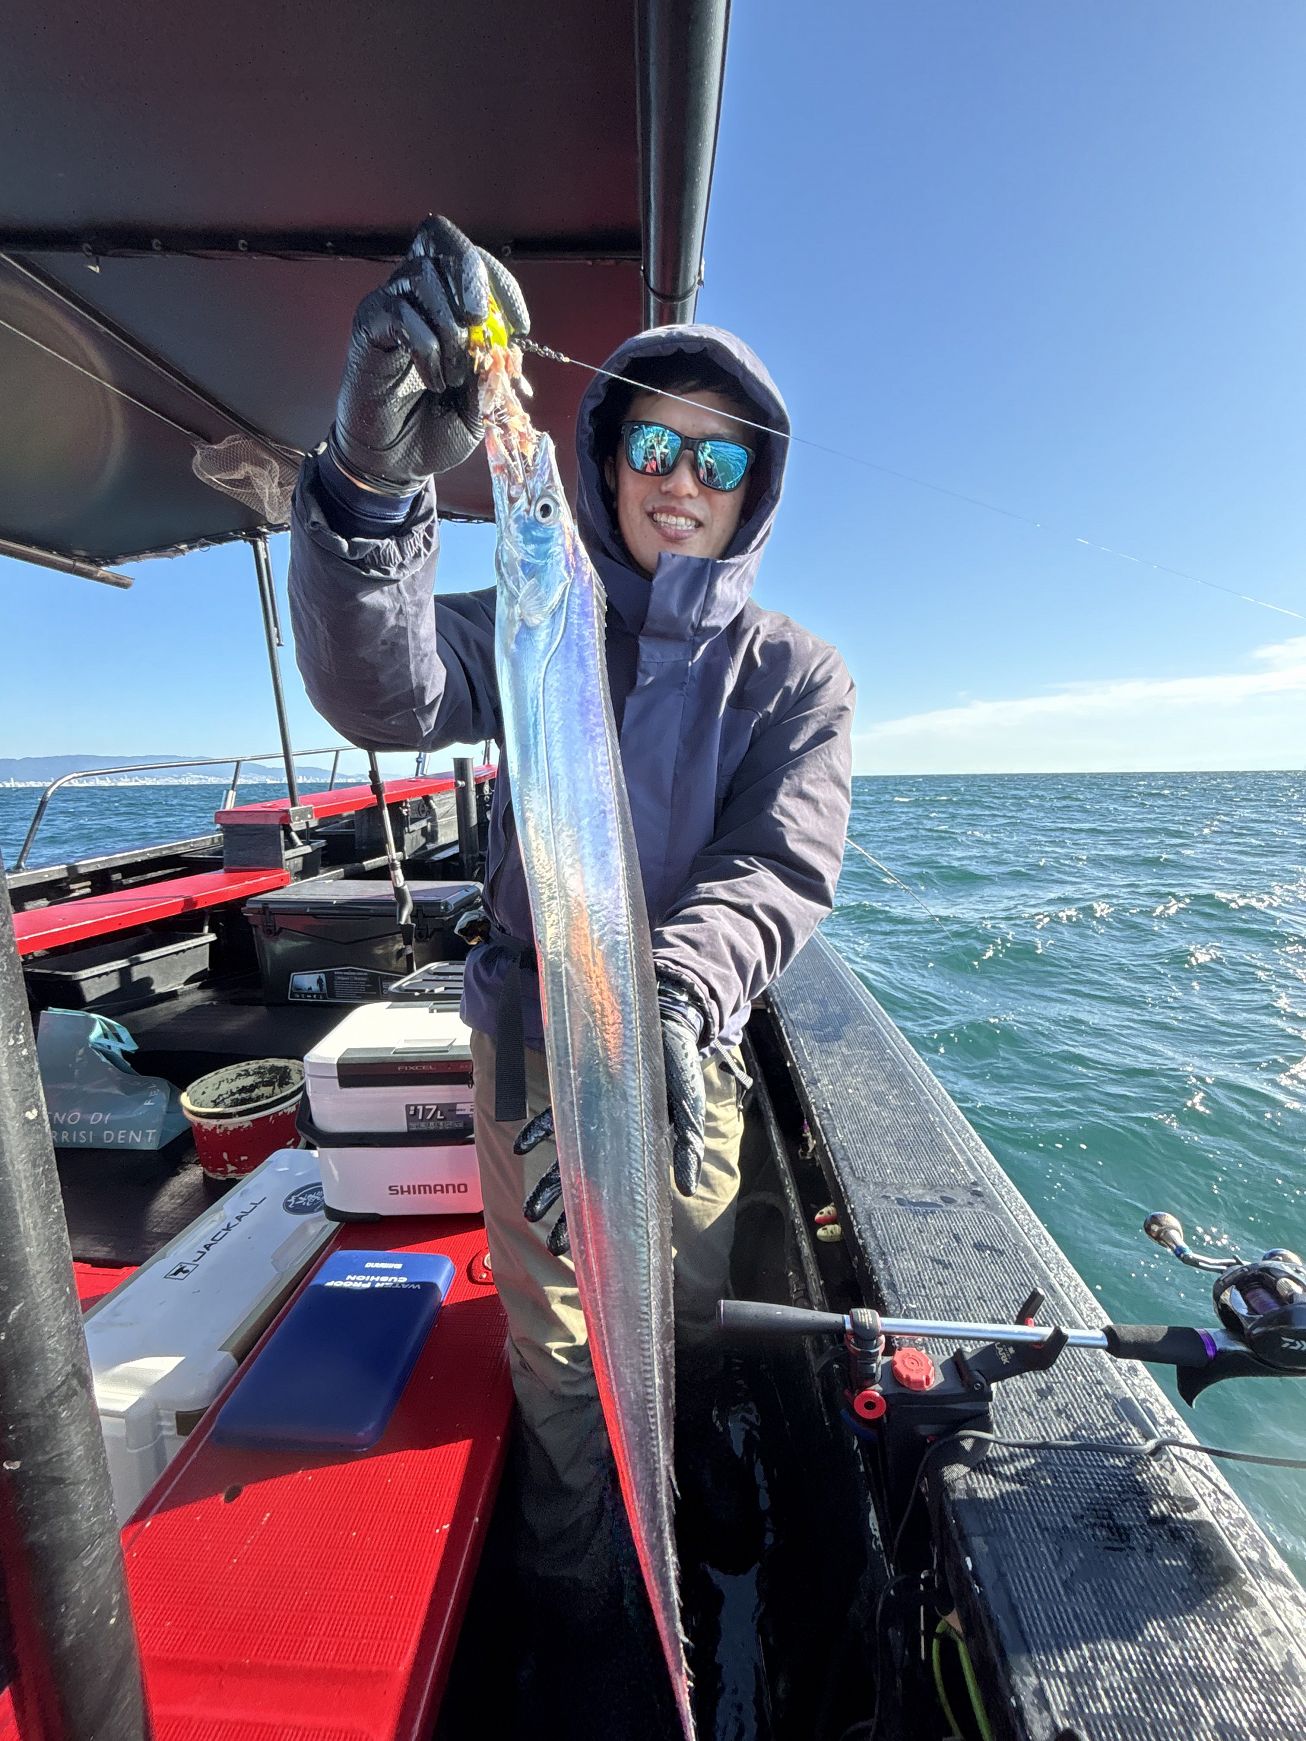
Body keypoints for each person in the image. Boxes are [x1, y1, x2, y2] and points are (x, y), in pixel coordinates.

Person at [287, 215, 854, 1627]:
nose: (681, 481)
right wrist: (368, 488)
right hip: (535, 1046)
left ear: (753, 492)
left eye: (718, 460)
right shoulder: (534, 615)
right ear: (605, 460)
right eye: (653, 445)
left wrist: (678, 990)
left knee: (682, 1297)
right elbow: (380, 688)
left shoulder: (795, 676)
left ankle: (678, 1494)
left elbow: (778, 866)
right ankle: (580, 1575)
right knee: (555, 1338)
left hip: (679, 1047)